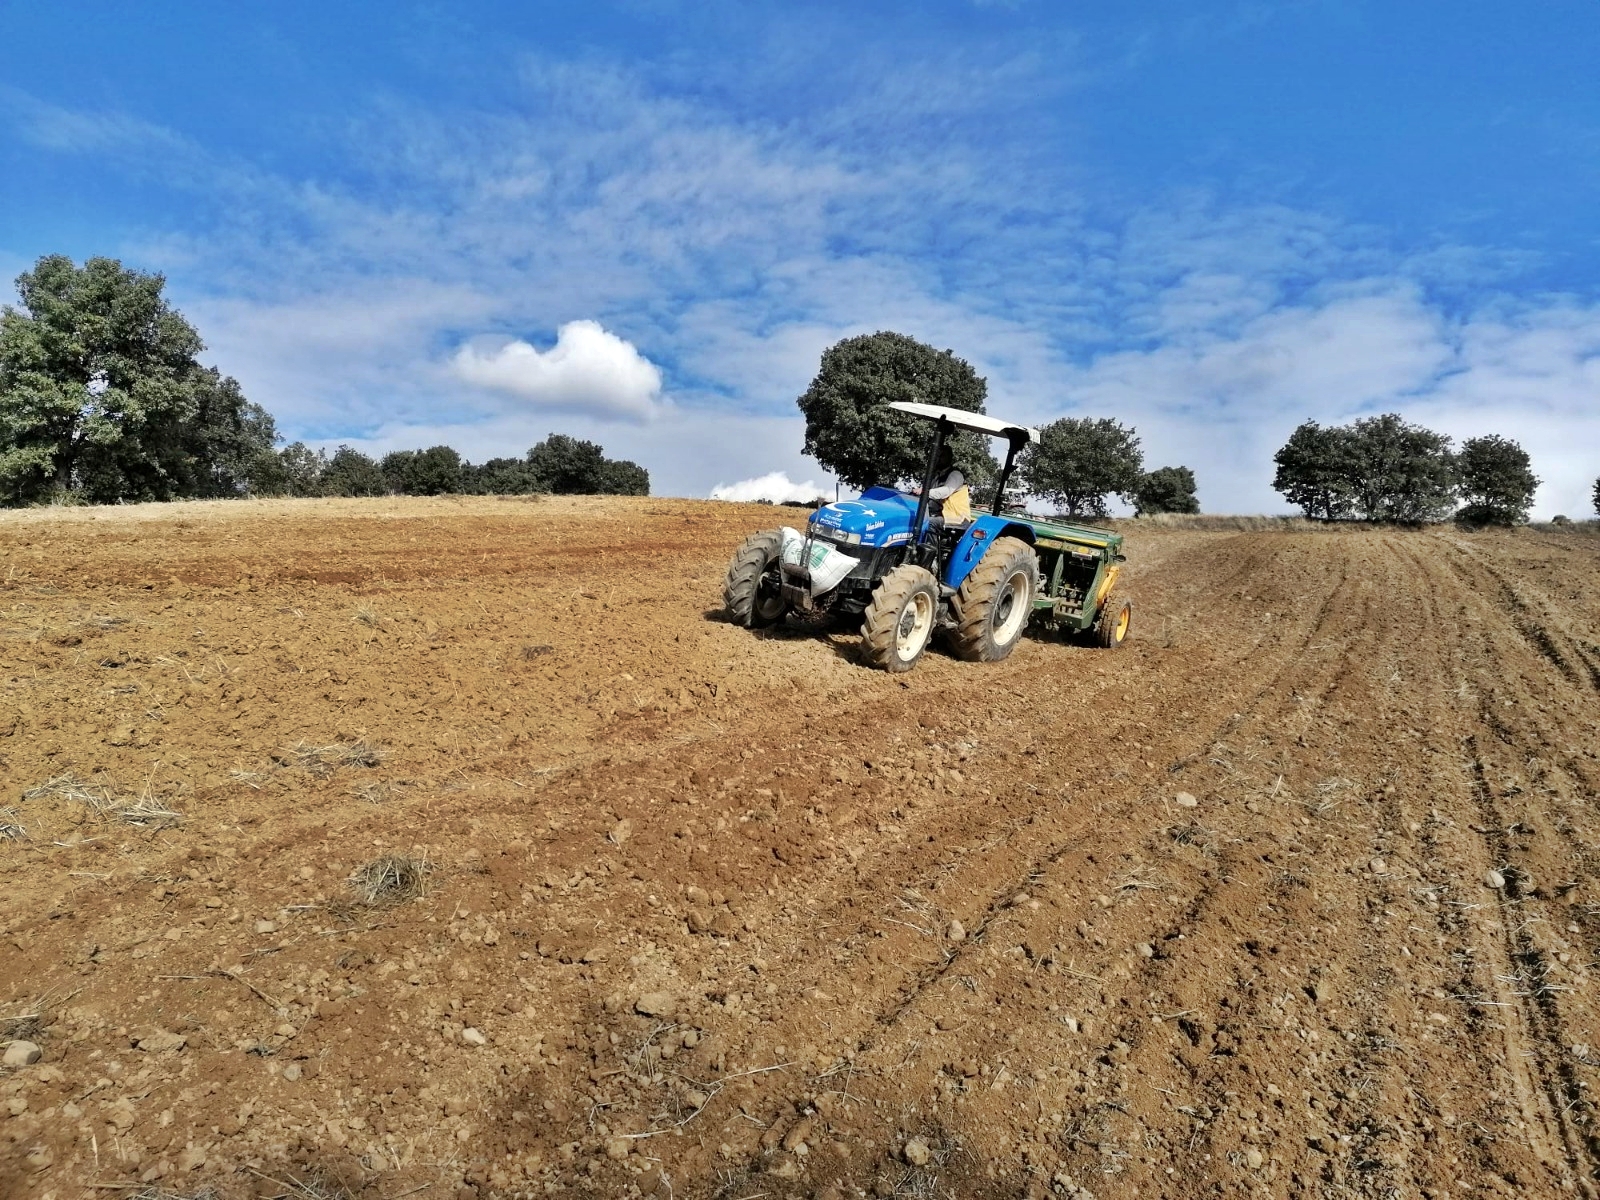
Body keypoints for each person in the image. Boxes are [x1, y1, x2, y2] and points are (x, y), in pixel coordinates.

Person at [910, 445, 972, 528]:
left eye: (942, 456)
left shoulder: (956, 475)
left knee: (925, 522)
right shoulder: (936, 476)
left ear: (949, 458)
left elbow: (945, 492)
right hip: (941, 515)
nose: (938, 459)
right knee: (913, 517)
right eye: (937, 456)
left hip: (957, 517)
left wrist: (924, 492)